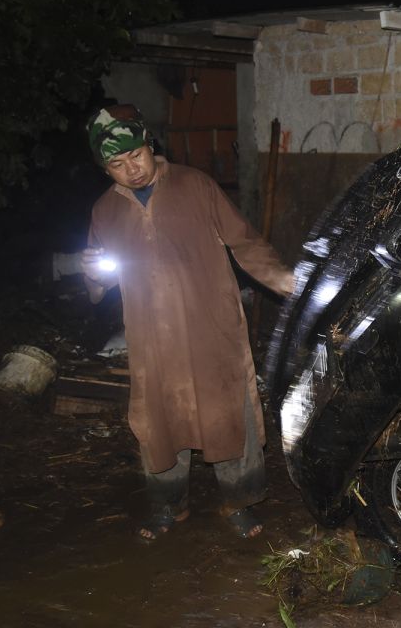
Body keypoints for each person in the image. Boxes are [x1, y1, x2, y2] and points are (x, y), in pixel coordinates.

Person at [80, 104, 293, 541]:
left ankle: (239, 501)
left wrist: (287, 283)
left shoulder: (195, 185)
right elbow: (97, 286)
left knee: (228, 417)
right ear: (105, 169)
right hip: (151, 339)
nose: (131, 169)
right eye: (116, 165)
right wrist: (89, 270)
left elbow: (245, 242)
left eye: (135, 156)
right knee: (159, 422)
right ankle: (167, 505)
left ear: (149, 145)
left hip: (209, 328)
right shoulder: (104, 212)